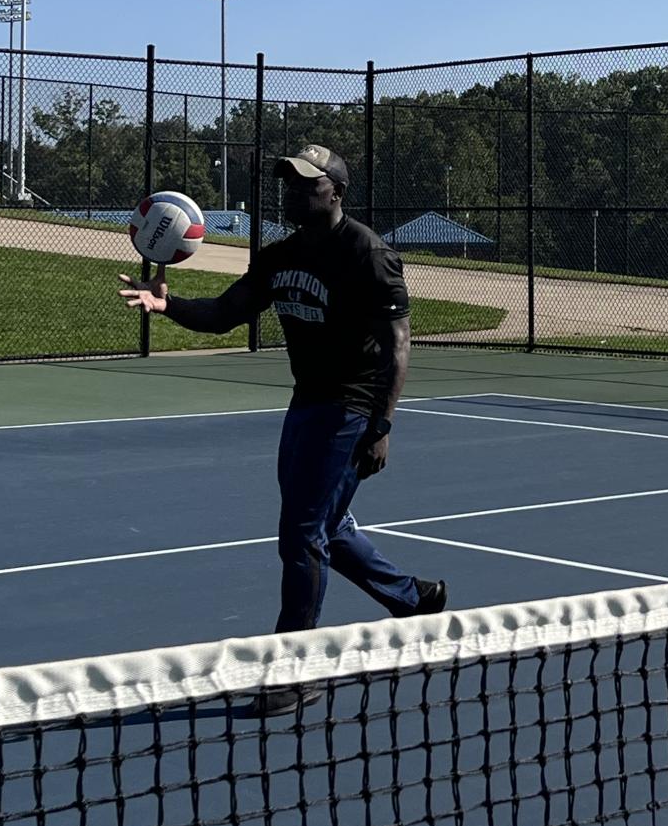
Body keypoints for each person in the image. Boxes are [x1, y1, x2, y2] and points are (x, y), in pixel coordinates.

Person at [116, 143, 445, 713]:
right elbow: (224, 314)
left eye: (306, 184)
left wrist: (382, 425)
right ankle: (412, 598)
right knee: (325, 526)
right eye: (288, 184)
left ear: (336, 192)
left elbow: (398, 345)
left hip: (352, 406)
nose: (292, 192)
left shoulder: (367, 253)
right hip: (307, 403)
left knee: (300, 535)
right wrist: (169, 307)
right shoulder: (278, 256)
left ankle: (296, 670)